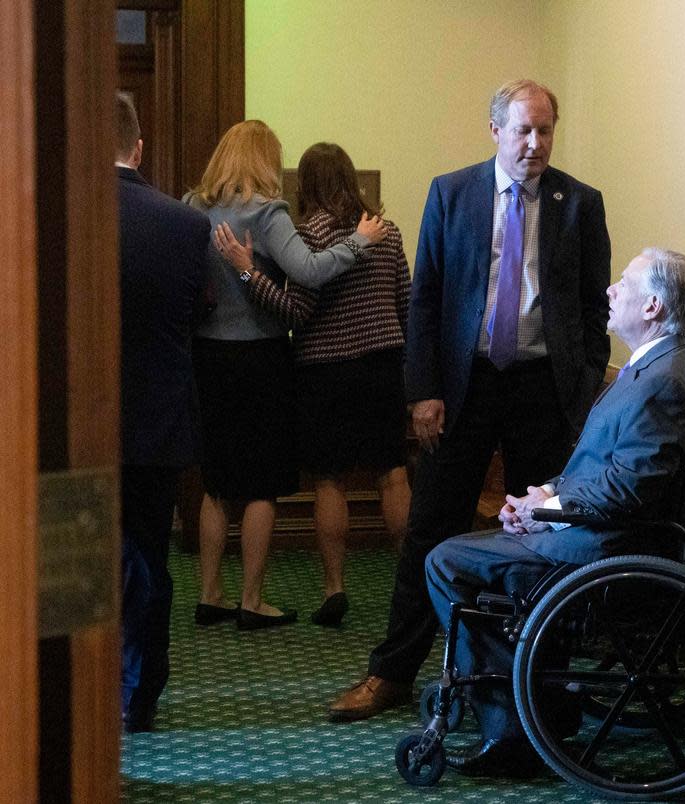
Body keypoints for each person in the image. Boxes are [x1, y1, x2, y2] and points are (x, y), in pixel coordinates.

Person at [328, 78, 611, 720]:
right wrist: (423, 391)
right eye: (523, 131)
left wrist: (586, 381)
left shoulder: (579, 203)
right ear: (495, 132)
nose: (535, 144)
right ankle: (392, 674)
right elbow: (425, 298)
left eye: (545, 131)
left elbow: (593, 307)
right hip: (465, 387)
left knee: (546, 534)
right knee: (431, 527)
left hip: (544, 390)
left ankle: (541, 677)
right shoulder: (451, 193)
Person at [425, 247, 685, 776]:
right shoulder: (666, 366)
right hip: (601, 533)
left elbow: (628, 491)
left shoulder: (663, 382)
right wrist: (543, 497)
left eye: (623, 284)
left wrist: (547, 510)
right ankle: (538, 696)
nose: (610, 291)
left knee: (446, 561)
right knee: (466, 551)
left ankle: (515, 727)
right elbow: (606, 471)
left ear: (652, 305)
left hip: (604, 551)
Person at [187, 120, 386, 630]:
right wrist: (359, 242)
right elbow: (311, 271)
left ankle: (210, 594)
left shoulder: (194, 208)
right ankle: (252, 600)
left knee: (215, 482)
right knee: (258, 485)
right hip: (260, 358)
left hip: (207, 356)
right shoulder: (267, 213)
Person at [115, 92, 211, 731]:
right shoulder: (186, 223)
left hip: (71, 423)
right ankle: (140, 692)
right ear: (139, 146)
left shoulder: (55, 213)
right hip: (158, 413)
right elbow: (199, 312)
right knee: (149, 553)